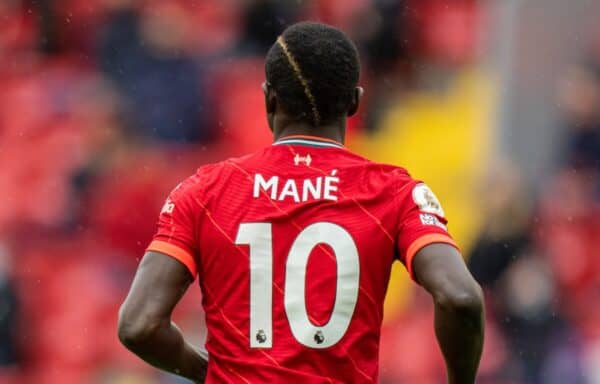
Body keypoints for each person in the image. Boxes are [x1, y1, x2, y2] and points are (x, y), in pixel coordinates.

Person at [118, 22, 484, 384]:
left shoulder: (205, 191)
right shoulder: (394, 192)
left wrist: (210, 373)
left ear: (268, 98)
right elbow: (460, 296)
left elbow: (139, 325)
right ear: (355, 101)